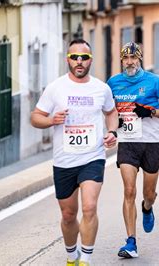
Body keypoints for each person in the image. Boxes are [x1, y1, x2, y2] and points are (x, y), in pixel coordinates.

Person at [31, 39, 118, 266]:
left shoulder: (101, 88)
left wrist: (112, 132)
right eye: (74, 57)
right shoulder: (55, 88)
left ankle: (85, 260)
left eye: (84, 58)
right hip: (64, 160)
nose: (79, 62)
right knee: (69, 215)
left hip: (93, 157)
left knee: (89, 207)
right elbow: (35, 117)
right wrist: (51, 120)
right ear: (67, 59)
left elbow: (111, 112)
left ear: (91, 60)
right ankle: (72, 257)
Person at [107, 42, 159, 258]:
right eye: (126, 59)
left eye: (133, 58)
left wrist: (151, 112)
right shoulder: (113, 83)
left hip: (152, 142)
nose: (129, 62)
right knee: (129, 190)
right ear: (121, 60)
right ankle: (131, 242)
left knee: (149, 193)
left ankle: (147, 207)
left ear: (140, 59)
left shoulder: (154, 81)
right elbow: (106, 109)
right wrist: (113, 123)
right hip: (128, 142)